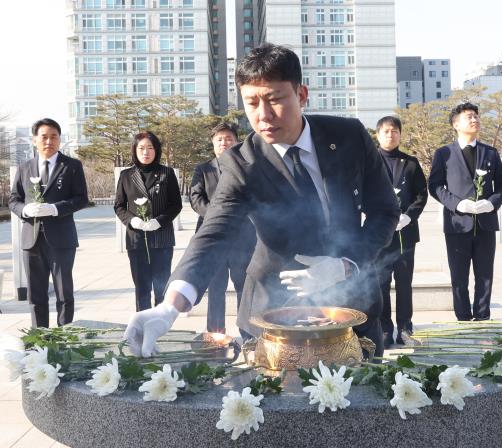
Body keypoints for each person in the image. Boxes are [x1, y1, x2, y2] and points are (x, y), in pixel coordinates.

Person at [124, 43, 399, 358]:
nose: (263, 115)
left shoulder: (349, 136)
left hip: (351, 310)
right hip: (272, 315)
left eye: (275, 100)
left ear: (302, 95)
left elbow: (384, 211)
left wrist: (345, 265)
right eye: (251, 103)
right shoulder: (242, 163)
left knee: (361, 401)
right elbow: (214, 233)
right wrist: (169, 307)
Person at [428, 103, 502, 321]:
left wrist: (492, 203)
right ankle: (463, 319)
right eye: (468, 117)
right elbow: (434, 186)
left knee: (485, 276)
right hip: (457, 223)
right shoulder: (443, 153)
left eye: (476, 116)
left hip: (485, 224)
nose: (474, 120)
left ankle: (483, 318)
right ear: (456, 124)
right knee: (459, 277)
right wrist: (457, 204)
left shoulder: (490, 152)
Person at [9, 118, 88, 328]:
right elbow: (13, 200)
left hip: (61, 239)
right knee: (36, 296)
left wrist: (55, 209)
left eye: (54, 137)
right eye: (44, 137)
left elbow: (81, 199)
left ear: (60, 139)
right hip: (31, 241)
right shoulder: (25, 167)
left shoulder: (71, 166)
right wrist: (25, 210)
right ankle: (40, 341)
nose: (49, 141)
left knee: (64, 294)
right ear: (34, 140)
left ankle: (65, 339)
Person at [190, 122, 256, 335]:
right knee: (215, 288)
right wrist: (218, 216)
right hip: (213, 238)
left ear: (236, 141)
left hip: (242, 238)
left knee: (243, 288)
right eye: (219, 139)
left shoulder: (247, 168)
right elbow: (195, 198)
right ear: (213, 143)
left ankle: (246, 335)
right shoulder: (204, 169)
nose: (224, 142)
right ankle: (216, 335)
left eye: (228, 138)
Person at [374, 116, 428, 346]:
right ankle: (384, 328)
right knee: (382, 282)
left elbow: (421, 194)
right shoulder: (369, 162)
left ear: (400, 134)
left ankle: (405, 328)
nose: (390, 135)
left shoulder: (411, 163)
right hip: (379, 235)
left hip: (406, 233)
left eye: (395, 131)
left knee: (405, 283)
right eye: (386, 131)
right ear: (378, 134)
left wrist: (408, 216)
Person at [114, 131, 182, 312]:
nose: (146, 152)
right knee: (141, 286)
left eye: (150, 148)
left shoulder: (166, 173)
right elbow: (119, 206)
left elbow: (176, 204)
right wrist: (132, 220)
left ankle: (161, 323)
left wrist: (159, 221)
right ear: (135, 150)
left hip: (161, 238)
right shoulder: (126, 175)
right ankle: (142, 325)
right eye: (141, 148)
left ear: (156, 150)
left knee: (162, 286)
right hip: (136, 239)